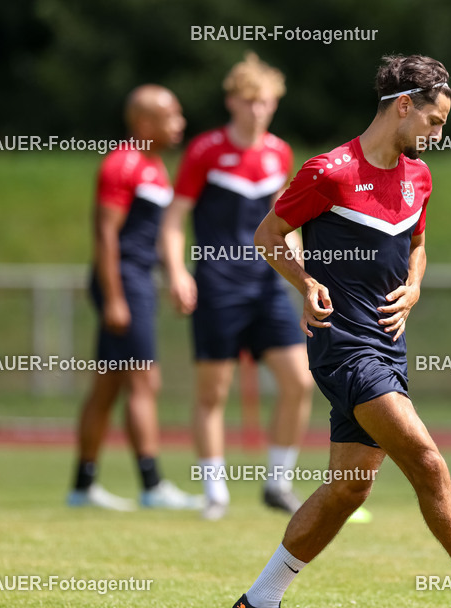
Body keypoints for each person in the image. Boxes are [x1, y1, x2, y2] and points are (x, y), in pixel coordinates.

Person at [230, 54, 451, 608]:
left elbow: (417, 244)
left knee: (349, 487)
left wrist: (414, 285)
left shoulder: (419, 176)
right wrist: (306, 283)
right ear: (404, 105)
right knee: (429, 462)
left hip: (390, 350)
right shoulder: (329, 172)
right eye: (434, 121)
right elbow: (268, 235)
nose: (438, 135)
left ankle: (261, 602)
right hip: (344, 350)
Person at [158, 54, 340, 522]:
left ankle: (277, 483)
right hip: (218, 285)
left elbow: (287, 222)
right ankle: (215, 491)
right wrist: (178, 271)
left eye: (266, 102)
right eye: (249, 101)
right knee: (213, 392)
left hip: (266, 284)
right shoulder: (205, 150)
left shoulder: (279, 152)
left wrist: (303, 278)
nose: (258, 110)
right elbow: (176, 217)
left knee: (299, 381)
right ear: (232, 102)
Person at [68, 85, 202, 511]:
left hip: (138, 279)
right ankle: (152, 485)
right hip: (123, 281)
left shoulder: (155, 166)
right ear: (145, 122)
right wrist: (114, 298)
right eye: (171, 115)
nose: (179, 123)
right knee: (145, 379)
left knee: (108, 387)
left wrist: (175, 274)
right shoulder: (122, 163)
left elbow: (156, 237)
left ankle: (83, 487)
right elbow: (106, 234)